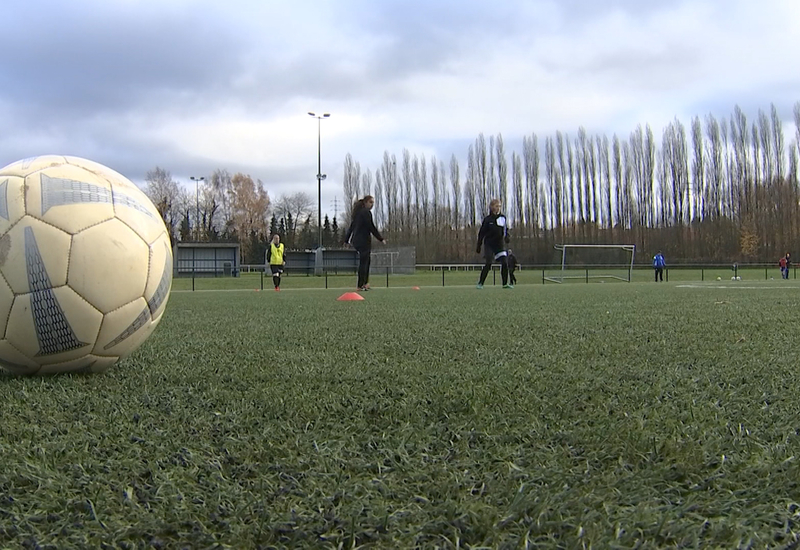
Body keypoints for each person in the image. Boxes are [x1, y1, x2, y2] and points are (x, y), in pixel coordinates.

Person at [344, 195, 386, 291]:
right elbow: (371, 227)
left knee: (366, 261)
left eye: (373, 203)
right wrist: (380, 238)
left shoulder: (357, 213)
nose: (372, 205)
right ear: (365, 202)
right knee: (364, 262)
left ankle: (365, 283)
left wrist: (346, 240)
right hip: (363, 241)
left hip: (356, 241)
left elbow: (351, 227)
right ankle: (361, 284)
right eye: (370, 202)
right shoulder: (366, 213)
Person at [476, 199, 511, 289]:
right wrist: (478, 245)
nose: (498, 208)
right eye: (496, 206)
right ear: (491, 207)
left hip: (499, 245)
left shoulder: (503, 218)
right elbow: (481, 233)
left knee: (504, 262)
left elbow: (506, 230)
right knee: (489, 263)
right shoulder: (487, 220)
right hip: (489, 244)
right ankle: (480, 283)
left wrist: (507, 237)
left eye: (499, 206)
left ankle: (504, 284)